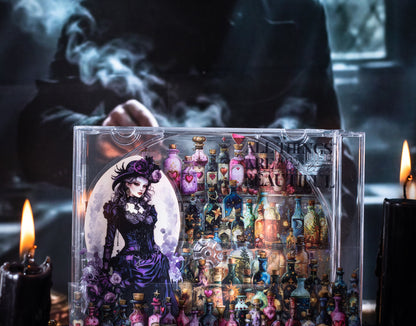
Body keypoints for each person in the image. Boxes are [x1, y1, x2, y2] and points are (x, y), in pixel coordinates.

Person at [18, 0, 340, 187]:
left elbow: (329, 152)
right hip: (140, 249)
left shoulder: (298, 12)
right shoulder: (106, 9)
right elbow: (36, 131)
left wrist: (310, 195)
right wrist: (99, 139)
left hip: (261, 246)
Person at [102, 157, 178, 310]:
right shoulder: (116, 210)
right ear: (127, 183)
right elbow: (109, 242)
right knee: (133, 306)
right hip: (131, 264)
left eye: (144, 185)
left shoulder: (149, 209)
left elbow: (150, 237)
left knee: (158, 305)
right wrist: (105, 270)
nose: (141, 189)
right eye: (137, 184)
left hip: (156, 262)